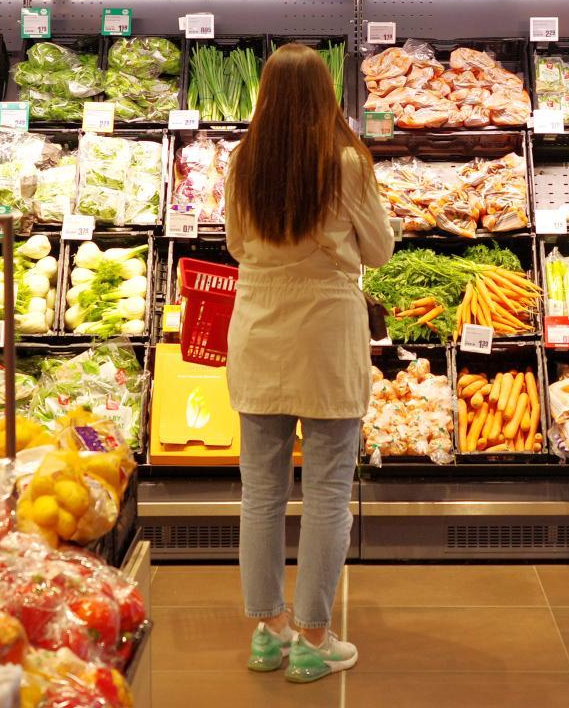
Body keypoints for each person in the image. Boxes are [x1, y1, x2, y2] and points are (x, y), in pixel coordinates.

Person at [224, 42, 394, 684]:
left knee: (260, 494)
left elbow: (236, 244)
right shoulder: (346, 162)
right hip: (326, 336)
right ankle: (313, 639)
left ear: (265, 97)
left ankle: (267, 632)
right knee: (326, 493)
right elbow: (378, 251)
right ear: (327, 95)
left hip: (259, 330)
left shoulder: (244, 161)